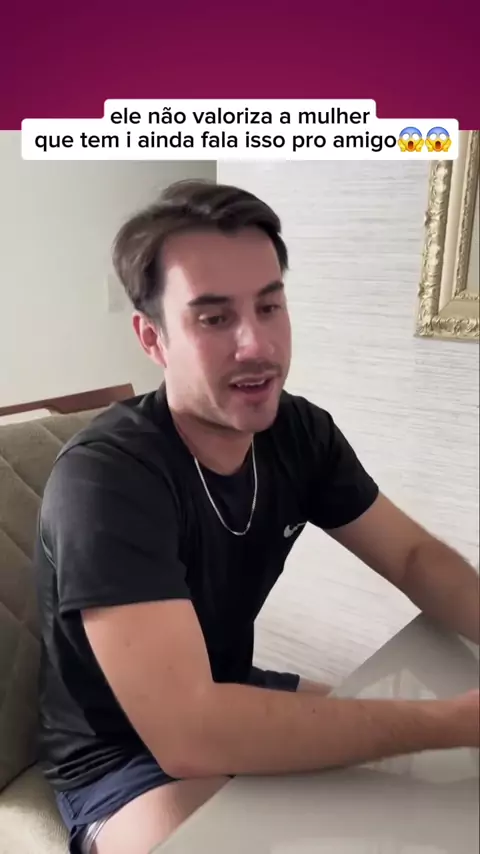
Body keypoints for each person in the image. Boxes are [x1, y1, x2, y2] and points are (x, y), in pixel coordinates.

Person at [34, 179, 479, 854]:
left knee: (425, 797)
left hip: (226, 686)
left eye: (269, 306)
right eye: (214, 319)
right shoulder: (107, 479)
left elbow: (413, 557)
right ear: (153, 338)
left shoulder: (299, 433)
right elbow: (189, 733)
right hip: (119, 757)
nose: (256, 345)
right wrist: (449, 723)